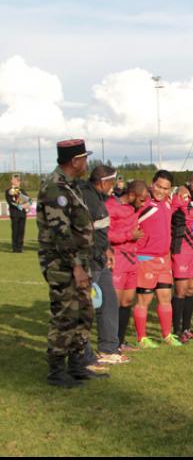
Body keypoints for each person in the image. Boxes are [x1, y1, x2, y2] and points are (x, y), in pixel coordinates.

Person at [37, 139, 108, 387]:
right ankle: (57, 371)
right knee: (65, 315)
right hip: (62, 264)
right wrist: (76, 266)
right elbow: (61, 233)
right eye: (84, 158)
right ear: (75, 161)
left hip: (79, 262)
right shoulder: (55, 189)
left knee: (84, 313)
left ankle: (78, 365)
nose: (87, 163)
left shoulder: (72, 186)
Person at [80, 165, 129, 365]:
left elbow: (101, 231)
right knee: (86, 309)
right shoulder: (87, 199)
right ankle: (83, 355)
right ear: (103, 182)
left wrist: (108, 249)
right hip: (89, 261)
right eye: (112, 181)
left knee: (109, 301)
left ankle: (108, 349)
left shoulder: (101, 199)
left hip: (101, 258)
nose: (114, 185)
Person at [134, 170, 183, 348]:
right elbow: (129, 219)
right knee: (144, 300)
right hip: (145, 258)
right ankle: (141, 338)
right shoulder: (143, 202)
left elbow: (183, 193)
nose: (161, 191)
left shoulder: (168, 202)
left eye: (166, 188)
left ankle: (167, 335)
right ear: (152, 184)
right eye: (159, 186)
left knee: (165, 296)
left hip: (163, 259)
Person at [107, 180, 147, 351]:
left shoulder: (134, 208)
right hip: (117, 258)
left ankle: (120, 342)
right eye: (142, 200)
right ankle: (109, 344)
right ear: (131, 195)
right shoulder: (111, 206)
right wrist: (129, 235)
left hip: (132, 259)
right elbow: (105, 233)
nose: (144, 203)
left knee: (127, 301)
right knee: (113, 303)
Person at [169, 170, 193, 343]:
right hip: (182, 250)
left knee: (191, 290)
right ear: (189, 183)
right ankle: (176, 331)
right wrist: (178, 190)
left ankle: (187, 328)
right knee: (181, 291)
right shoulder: (180, 199)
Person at [6, 174, 30, 253]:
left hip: (23, 214)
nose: (16, 182)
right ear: (12, 181)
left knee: (21, 231)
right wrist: (22, 206)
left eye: (18, 180)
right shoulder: (9, 191)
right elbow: (11, 202)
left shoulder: (21, 191)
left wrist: (27, 205)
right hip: (15, 214)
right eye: (15, 180)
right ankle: (15, 248)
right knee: (15, 231)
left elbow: (29, 200)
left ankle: (20, 248)